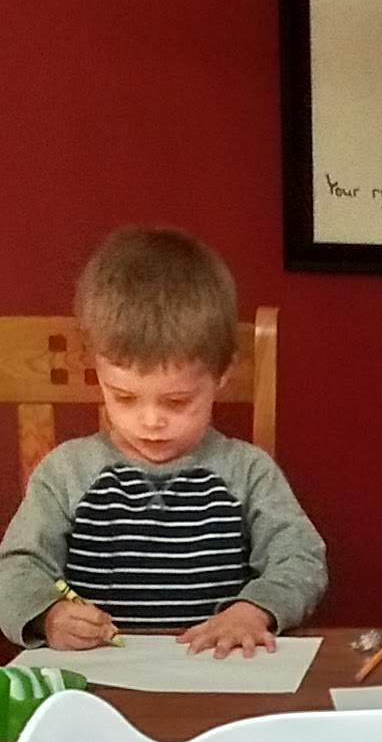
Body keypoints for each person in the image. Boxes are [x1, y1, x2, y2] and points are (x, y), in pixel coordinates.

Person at [0, 227, 327, 657]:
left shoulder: (247, 471)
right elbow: (16, 568)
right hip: (97, 682)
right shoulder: (65, 472)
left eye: (177, 401)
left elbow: (301, 558)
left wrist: (254, 610)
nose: (151, 421)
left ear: (221, 375)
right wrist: (50, 615)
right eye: (124, 397)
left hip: (218, 675)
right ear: (95, 369)